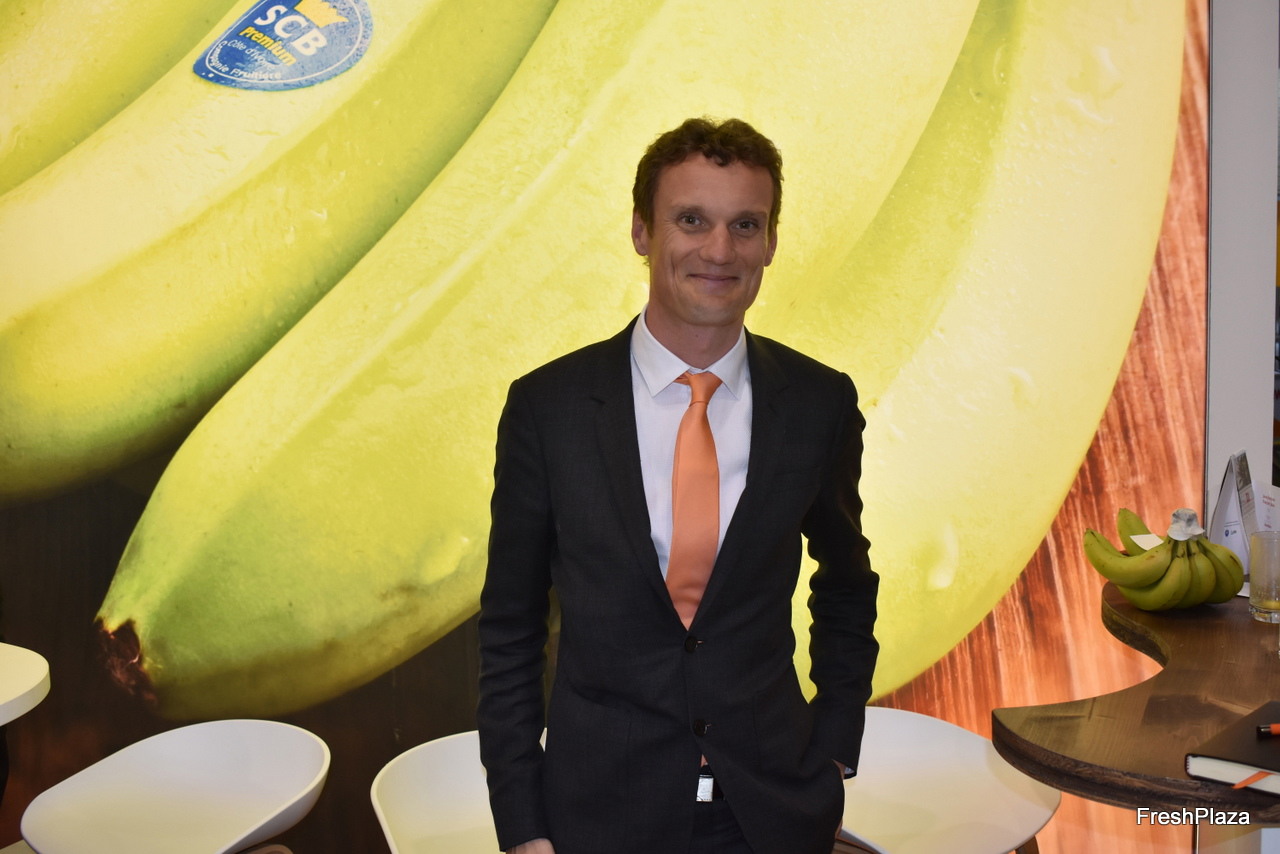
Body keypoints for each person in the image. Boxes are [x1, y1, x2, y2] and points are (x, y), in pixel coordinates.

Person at [477, 117, 879, 854]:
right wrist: (522, 826)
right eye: (691, 220)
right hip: (599, 817)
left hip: (772, 812)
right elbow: (510, 624)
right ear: (641, 231)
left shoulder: (818, 403)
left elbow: (848, 585)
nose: (719, 251)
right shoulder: (549, 408)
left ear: (771, 242)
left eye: (745, 225)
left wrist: (834, 747)